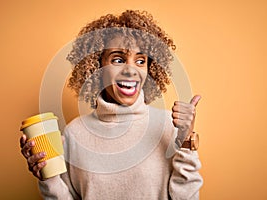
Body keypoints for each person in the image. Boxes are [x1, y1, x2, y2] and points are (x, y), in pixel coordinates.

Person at [20, 10, 203, 199]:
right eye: (118, 59)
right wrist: (48, 178)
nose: (131, 70)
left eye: (140, 61)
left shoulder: (169, 126)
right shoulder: (74, 134)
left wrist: (185, 140)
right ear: (97, 67)